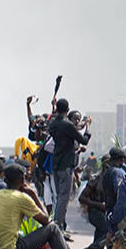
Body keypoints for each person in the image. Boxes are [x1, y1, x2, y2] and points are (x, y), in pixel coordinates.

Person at [48, 98, 91, 232]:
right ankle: (57, 226)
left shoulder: (53, 124)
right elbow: (83, 140)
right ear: (67, 110)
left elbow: (70, 128)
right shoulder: (67, 125)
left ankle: (58, 224)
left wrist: (81, 125)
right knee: (63, 197)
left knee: (58, 196)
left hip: (55, 164)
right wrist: (88, 127)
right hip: (66, 165)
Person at [78, 164, 107, 249]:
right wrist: (98, 205)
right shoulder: (96, 179)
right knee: (109, 232)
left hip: (104, 213)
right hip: (95, 213)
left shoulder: (112, 178)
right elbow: (82, 198)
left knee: (99, 244)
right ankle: (90, 248)